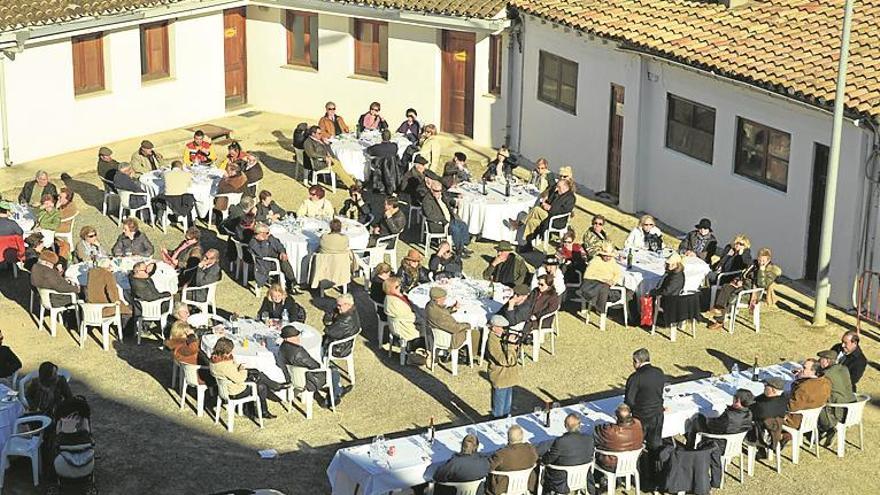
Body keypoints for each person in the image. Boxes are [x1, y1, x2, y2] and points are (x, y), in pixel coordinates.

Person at [707, 246, 778, 329]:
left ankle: (720, 320)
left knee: (732, 296)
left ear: (768, 260)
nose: (760, 262)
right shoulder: (754, 264)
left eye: (763, 260)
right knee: (726, 287)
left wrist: (761, 270)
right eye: (759, 259)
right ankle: (719, 309)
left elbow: (762, 284)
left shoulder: (771, 271)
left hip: (751, 293)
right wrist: (738, 280)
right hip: (742, 287)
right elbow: (743, 274)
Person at [209, 337, 278, 419]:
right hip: (235, 391)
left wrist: (239, 366)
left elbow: (231, 370)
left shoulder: (215, 360)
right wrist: (243, 369)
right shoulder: (224, 365)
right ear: (225, 351)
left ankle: (253, 409)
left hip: (224, 388)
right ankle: (264, 409)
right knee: (261, 386)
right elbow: (239, 379)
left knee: (256, 373)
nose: (231, 352)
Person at [277, 325, 347, 407]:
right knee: (334, 371)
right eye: (294, 337)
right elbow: (315, 366)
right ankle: (332, 398)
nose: (298, 338)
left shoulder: (282, 347)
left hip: (293, 378)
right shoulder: (298, 352)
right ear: (287, 339)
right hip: (308, 379)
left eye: (297, 336)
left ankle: (338, 390)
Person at [624, 348, 665, 484]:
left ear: (637, 361)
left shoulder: (635, 377)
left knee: (637, 446)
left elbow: (629, 400)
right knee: (655, 445)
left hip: (640, 418)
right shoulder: (659, 372)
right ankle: (656, 475)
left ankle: (641, 475)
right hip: (657, 415)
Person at [512, 178, 575, 248]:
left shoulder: (570, 198)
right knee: (532, 221)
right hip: (547, 215)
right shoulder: (557, 193)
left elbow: (564, 211)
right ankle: (526, 243)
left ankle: (519, 223)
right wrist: (546, 201)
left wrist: (550, 208)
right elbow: (549, 201)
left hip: (556, 220)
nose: (557, 188)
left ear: (565, 187)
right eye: (557, 186)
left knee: (536, 209)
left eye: (559, 187)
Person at [542, 413, 594, 495]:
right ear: (580, 425)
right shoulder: (589, 439)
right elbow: (590, 455)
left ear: (565, 426)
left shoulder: (561, 441)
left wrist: (543, 459)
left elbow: (548, 460)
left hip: (562, 480)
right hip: (583, 476)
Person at [687, 388, 754, 448]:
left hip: (719, 444)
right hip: (735, 443)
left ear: (738, 401)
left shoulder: (729, 417)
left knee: (697, 419)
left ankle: (689, 447)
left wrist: (707, 419)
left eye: (734, 397)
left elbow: (712, 426)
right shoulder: (749, 413)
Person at [422, 180, 472, 257]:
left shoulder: (442, 196)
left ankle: (463, 245)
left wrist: (455, 202)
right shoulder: (427, 200)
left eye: (440, 190)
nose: (438, 192)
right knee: (455, 230)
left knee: (463, 225)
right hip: (438, 224)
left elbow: (448, 200)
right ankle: (460, 251)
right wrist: (443, 220)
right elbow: (429, 215)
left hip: (450, 219)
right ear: (431, 189)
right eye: (436, 191)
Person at [426, 287, 479, 356]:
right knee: (475, 333)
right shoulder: (440, 315)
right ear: (437, 299)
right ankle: (469, 355)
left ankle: (465, 351)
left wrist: (453, 308)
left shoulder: (430, 306)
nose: (445, 300)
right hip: (450, 339)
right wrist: (468, 325)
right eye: (443, 298)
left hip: (438, 334)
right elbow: (455, 328)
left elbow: (442, 312)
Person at [485, 315, 519, 418]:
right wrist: (510, 345)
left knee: (507, 408)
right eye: (502, 327)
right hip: (500, 377)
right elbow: (505, 361)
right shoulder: (493, 341)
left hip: (508, 377)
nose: (504, 330)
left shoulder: (500, 337)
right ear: (494, 327)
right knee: (499, 410)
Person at [487, 425, 537, 495]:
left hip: (503, 489)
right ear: (522, 436)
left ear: (508, 438)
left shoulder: (501, 454)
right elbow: (536, 459)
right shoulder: (530, 449)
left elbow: (488, 467)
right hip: (526, 486)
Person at [817, 350, 855, 439]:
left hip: (838, 411)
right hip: (852, 408)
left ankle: (827, 428)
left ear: (827, 361)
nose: (819, 361)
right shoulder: (844, 369)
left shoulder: (826, 374)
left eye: (821, 359)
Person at [577, 241, 623, 315]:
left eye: (610, 256)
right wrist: (603, 280)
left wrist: (613, 281)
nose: (608, 258)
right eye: (606, 256)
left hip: (608, 284)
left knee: (625, 291)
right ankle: (601, 309)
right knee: (603, 288)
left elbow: (617, 273)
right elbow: (587, 275)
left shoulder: (612, 261)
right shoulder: (595, 261)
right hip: (594, 283)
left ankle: (602, 307)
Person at [594, 403, 644, 471]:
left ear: (616, 416)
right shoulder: (638, 423)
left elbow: (597, 431)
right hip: (634, 461)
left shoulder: (610, 431)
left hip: (612, 464)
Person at [784, 358, 831, 430]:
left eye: (804, 368)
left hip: (796, 420)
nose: (801, 369)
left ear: (813, 371)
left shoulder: (804, 387)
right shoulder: (826, 382)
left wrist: (797, 380)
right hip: (812, 418)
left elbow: (791, 407)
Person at [383, 277, 424, 357]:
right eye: (396, 287)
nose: (399, 287)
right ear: (389, 289)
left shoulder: (393, 297)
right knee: (430, 327)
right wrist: (422, 318)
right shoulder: (394, 303)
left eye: (399, 285)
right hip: (406, 328)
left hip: (402, 324)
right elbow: (411, 317)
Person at [248, 222, 296, 291]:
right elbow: (263, 254)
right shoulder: (253, 243)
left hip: (274, 258)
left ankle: (291, 282)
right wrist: (264, 241)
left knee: (284, 260)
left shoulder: (270, 237)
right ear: (261, 233)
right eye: (267, 233)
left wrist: (282, 252)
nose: (269, 234)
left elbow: (279, 245)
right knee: (284, 263)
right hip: (264, 264)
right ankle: (292, 282)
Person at [748, 377, 788, 455]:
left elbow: (750, 413)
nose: (764, 387)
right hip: (775, 427)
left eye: (766, 386)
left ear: (773, 390)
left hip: (759, 431)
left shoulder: (763, 407)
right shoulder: (783, 399)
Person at [321, 294, 361, 360]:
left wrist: (330, 323)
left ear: (347, 305)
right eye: (337, 305)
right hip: (344, 343)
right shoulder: (351, 311)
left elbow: (328, 331)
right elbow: (328, 319)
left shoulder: (346, 321)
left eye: (339, 305)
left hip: (339, 348)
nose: (337, 307)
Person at [161, 160, 196, 225]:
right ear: (181, 167)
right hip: (182, 200)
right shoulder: (187, 174)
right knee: (191, 197)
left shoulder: (165, 174)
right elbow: (189, 185)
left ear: (172, 167)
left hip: (169, 201)